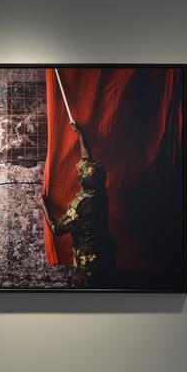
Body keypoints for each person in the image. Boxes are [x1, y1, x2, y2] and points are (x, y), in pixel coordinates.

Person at [37, 122, 117, 288]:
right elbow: (87, 157)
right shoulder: (99, 189)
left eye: (80, 174)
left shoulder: (81, 204)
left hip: (90, 262)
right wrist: (80, 134)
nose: (79, 174)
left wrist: (43, 205)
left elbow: (57, 229)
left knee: (88, 293)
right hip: (107, 253)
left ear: (81, 180)